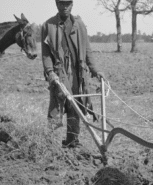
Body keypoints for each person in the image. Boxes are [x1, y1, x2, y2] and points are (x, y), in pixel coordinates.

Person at [41, 0, 105, 148]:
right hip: (60, 72)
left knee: (76, 105)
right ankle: (47, 143)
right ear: (57, 4)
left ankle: (72, 140)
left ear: (72, 5)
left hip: (77, 72)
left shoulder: (79, 25)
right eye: (61, 4)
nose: (65, 7)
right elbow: (45, 54)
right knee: (56, 105)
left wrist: (95, 70)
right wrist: (50, 72)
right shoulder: (48, 25)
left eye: (67, 4)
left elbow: (87, 50)